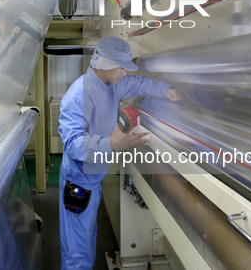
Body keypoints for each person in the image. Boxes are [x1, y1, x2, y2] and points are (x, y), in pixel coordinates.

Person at [58, 36, 183, 269]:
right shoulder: (79, 94)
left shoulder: (112, 83)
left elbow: (142, 84)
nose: (125, 73)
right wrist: (111, 145)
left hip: (93, 178)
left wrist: (168, 90)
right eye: (121, 67)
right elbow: (72, 143)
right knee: (77, 251)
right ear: (104, 64)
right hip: (78, 182)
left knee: (87, 235)